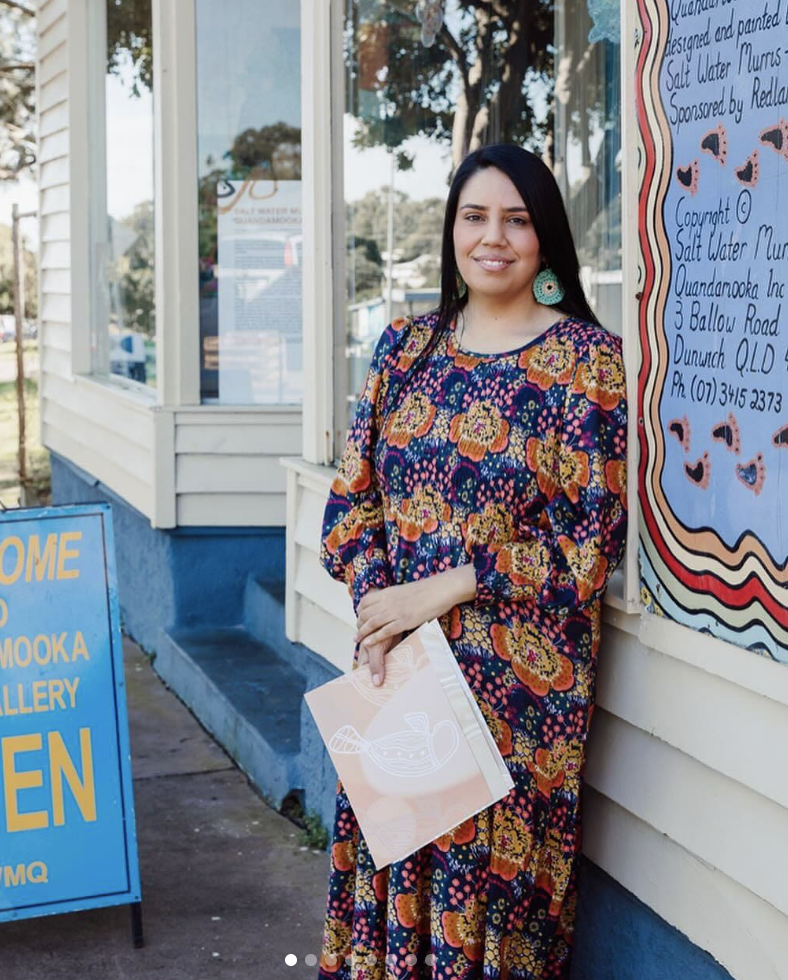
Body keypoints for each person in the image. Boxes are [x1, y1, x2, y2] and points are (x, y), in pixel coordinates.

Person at [316, 143, 628, 980]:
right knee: (396, 898)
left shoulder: (585, 364)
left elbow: (587, 549)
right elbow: (351, 510)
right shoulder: (404, 350)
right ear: (451, 230)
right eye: (475, 216)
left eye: (518, 220)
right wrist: (383, 611)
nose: (494, 238)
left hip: (518, 702)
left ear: (546, 239)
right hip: (404, 678)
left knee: (487, 919)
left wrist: (448, 586)